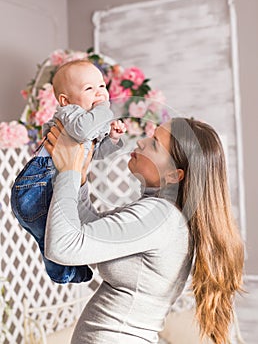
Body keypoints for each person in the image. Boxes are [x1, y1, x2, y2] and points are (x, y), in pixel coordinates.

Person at [44, 117, 244, 344]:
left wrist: (67, 172)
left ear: (173, 176)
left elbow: (63, 247)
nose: (141, 142)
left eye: (155, 144)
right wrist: (78, 179)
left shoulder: (159, 217)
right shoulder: (163, 214)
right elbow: (89, 233)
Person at [11, 59, 126, 284]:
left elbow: (95, 154)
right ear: (66, 100)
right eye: (89, 88)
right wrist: (104, 109)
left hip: (45, 188)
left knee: (53, 236)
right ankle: (65, 271)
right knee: (56, 236)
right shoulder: (70, 114)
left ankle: (67, 271)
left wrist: (112, 138)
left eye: (102, 86)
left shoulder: (92, 121)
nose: (99, 93)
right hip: (37, 186)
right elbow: (83, 132)